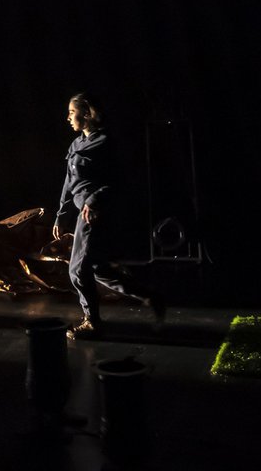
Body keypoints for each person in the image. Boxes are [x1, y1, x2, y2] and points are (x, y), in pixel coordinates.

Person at [55, 92, 164, 338]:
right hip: (81, 211)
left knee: (77, 269)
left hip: (94, 214)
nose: (68, 118)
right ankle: (150, 296)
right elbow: (69, 184)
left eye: (72, 112)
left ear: (86, 113)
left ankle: (92, 322)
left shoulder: (106, 142)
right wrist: (61, 216)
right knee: (97, 268)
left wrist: (94, 200)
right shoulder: (75, 145)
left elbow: (121, 181)